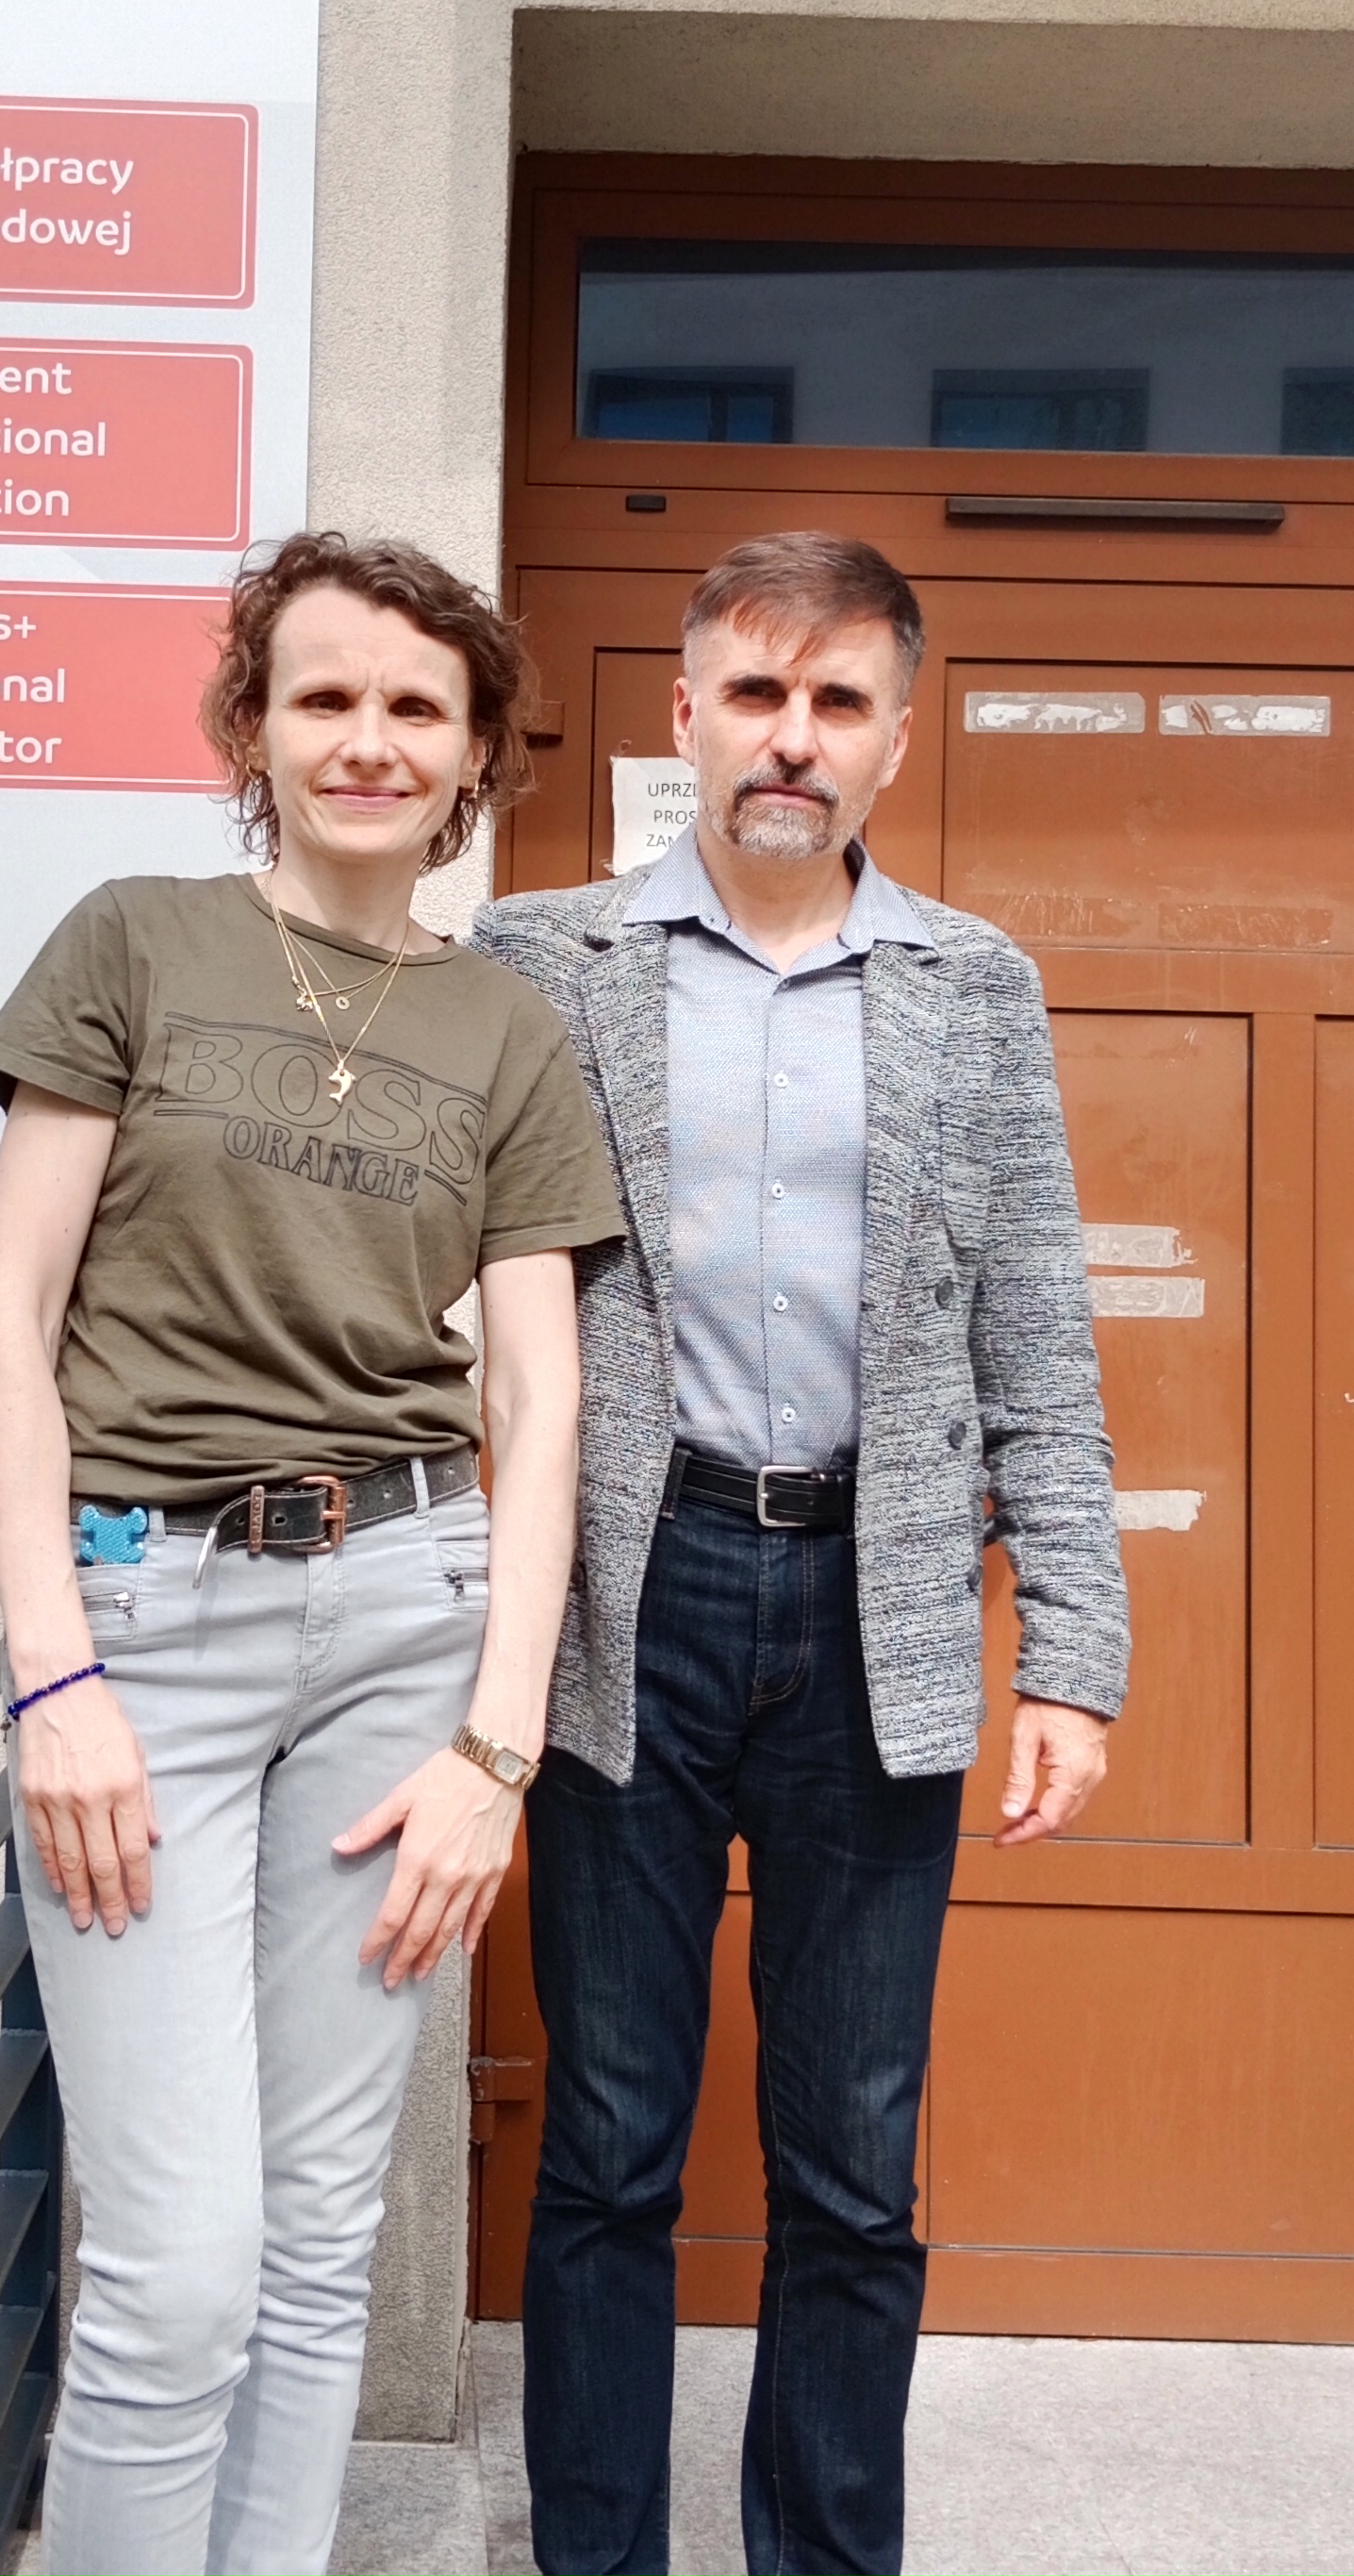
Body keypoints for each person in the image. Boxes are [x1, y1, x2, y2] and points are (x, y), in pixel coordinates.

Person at [0, 530, 623, 2576]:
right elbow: (16, 1312)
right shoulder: (135, 942)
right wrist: (54, 1673)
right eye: (327, 698)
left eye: (416, 707)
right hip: (144, 1621)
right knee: (179, 2261)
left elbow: (537, 1394)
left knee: (314, 2242)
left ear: (475, 752)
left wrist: (496, 1750)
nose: (369, 740)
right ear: (254, 726)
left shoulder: (507, 1030)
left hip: (408, 1620)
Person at [470, 531, 1131, 2576]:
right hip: (627, 1599)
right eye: (756, 693)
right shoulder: (539, 960)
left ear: (895, 743)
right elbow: (386, 1226)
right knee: (608, 2148)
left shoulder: (972, 986)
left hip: (879, 1604)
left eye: (838, 702)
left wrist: (1074, 1650)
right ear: (685, 714)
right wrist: (51, 1301)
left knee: (851, 2170)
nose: (792, 737)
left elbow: (1037, 1322)